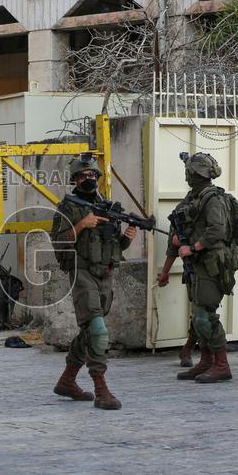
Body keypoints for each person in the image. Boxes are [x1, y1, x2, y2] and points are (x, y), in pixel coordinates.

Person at [50, 154, 138, 410]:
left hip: (105, 275)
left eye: (92, 175)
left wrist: (128, 238)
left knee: (90, 331)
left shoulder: (108, 207)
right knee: (99, 332)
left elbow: (114, 246)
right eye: (83, 176)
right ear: (75, 180)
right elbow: (58, 241)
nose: (88, 179)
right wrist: (81, 225)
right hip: (82, 273)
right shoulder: (67, 207)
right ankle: (101, 389)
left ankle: (67, 381)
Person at [156, 152, 236, 383]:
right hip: (199, 265)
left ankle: (222, 365)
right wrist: (168, 266)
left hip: (212, 264)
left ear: (195, 174)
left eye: (189, 172)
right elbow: (178, 235)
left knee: (205, 316)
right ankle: (206, 361)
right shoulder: (194, 198)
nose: (187, 176)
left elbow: (217, 230)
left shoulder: (212, 199)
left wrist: (194, 247)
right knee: (198, 314)